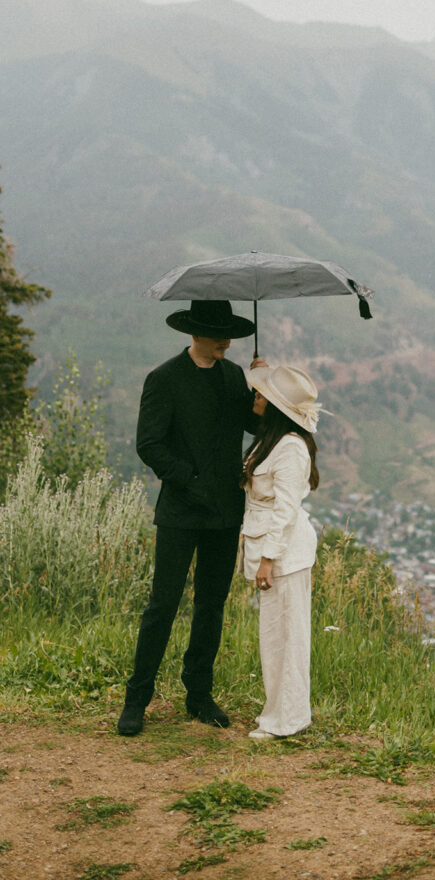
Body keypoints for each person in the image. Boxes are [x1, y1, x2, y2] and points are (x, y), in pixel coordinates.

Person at [117, 299, 263, 737]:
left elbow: (250, 429)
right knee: (162, 607)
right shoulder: (164, 379)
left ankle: (198, 695)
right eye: (217, 332)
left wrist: (261, 395)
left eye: (229, 332)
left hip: (224, 511)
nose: (226, 340)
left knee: (211, 606)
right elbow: (149, 444)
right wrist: (191, 479)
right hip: (181, 510)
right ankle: (136, 700)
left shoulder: (235, 375)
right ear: (194, 333)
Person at [240, 364, 322, 739]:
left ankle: (286, 720)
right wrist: (261, 370)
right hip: (272, 550)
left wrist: (268, 559)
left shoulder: (289, 447)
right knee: (274, 637)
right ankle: (281, 715)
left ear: (274, 405)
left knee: (287, 638)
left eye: (261, 394)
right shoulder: (271, 438)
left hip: (284, 555)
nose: (254, 398)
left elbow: (285, 510)